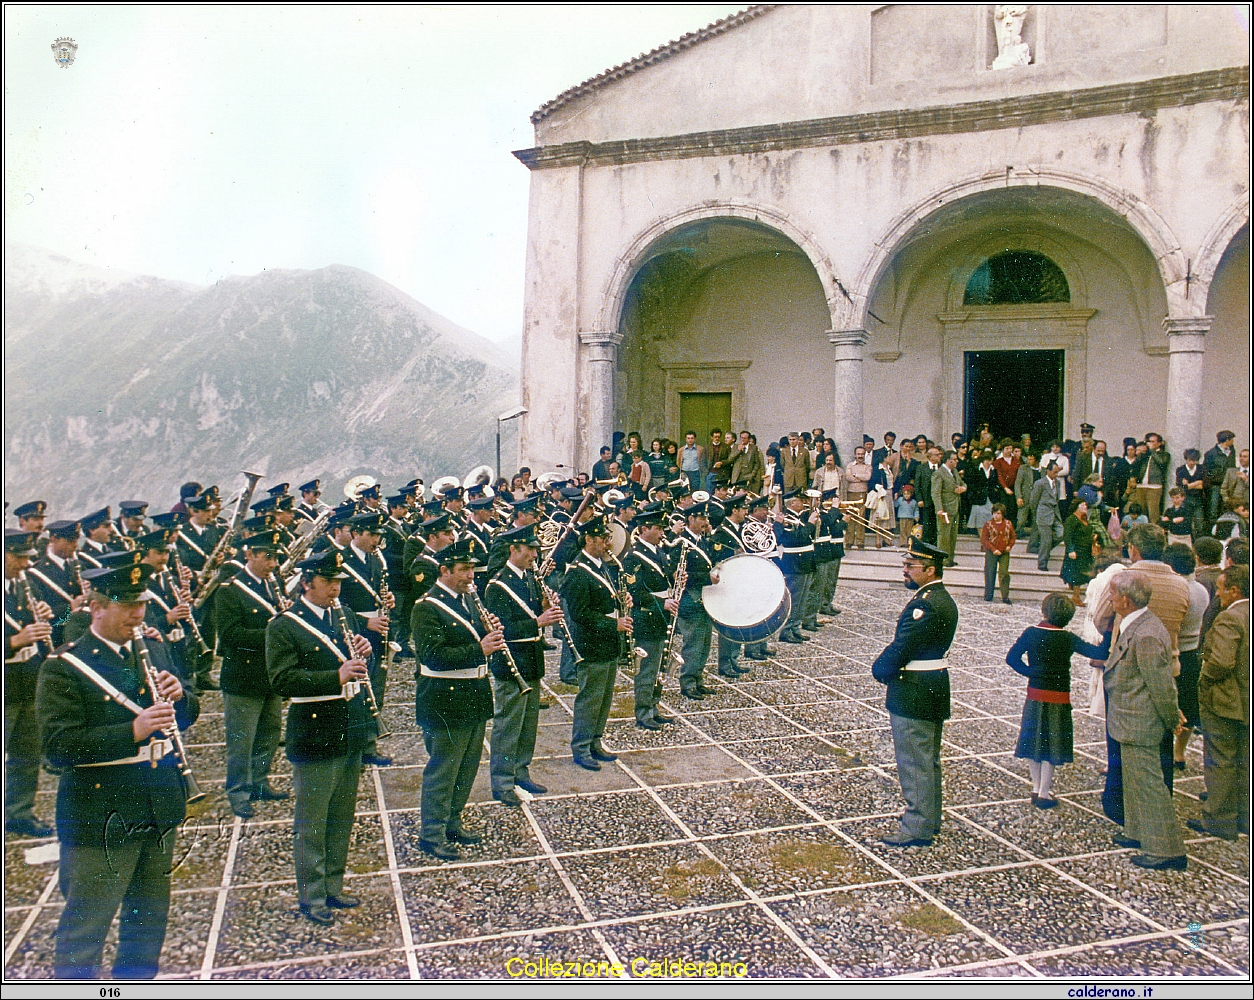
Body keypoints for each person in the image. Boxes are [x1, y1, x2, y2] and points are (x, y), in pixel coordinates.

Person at [37, 562, 200, 977]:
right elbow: (57, 748)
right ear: (95, 607)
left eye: (140, 604)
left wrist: (181, 698)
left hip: (157, 802)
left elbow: (185, 714)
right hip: (101, 813)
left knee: (148, 920)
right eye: (125, 606)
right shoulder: (64, 666)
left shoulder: (153, 648)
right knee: (86, 926)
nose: (137, 615)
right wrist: (131, 730)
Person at [265, 548, 373, 922]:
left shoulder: (339, 615)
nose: (335, 589)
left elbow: (355, 666)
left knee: (341, 814)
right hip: (313, 726)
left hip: (348, 723)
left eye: (338, 582)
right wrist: (336, 676)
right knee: (313, 818)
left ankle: (333, 885)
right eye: (328, 582)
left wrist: (365, 653)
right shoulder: (284, 625)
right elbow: (282, 680)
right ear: (307, 582)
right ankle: (311, 896)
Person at [408, 539, 501, 861]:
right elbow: (433, 656)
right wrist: (481, 648)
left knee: (466, 767)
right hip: (444, 699)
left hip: (473, 694)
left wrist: (489, 636)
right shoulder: (426, 607)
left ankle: (452, 821)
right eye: (463, 570)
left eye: (472, 569)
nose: (470, 576)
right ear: (444, 571)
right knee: (444, 768)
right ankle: (431, 833)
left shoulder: (468, 601)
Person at [871, 538, 958, 847]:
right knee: (928, 759)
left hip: (914, 690)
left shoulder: (924, 604)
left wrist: (879, 669)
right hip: (932, 686)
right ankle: (929, 820)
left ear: (930, 569)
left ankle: (917, 826)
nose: (904, 570)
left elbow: (903, 646)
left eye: (911, 566)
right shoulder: (942, 598)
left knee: (915, 761)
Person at [1102, 573, 1188, 870]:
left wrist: (1171, 718)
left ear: (1125, 601)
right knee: (1135, 782)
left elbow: (1161, 685)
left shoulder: (1147, 633)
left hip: (1141, 722)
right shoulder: (1137, 624)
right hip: (1129, 719)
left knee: (1149, 786)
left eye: (1112, 595)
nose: (1110, 599)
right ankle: (1137, 831)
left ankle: (1166, 849)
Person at [1007, 593, 1112, 808]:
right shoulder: (1068, 638)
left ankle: (1036, 787)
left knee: (1032, 742)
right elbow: (1099, 652)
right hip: (1059, 697)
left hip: (1035, 694)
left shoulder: (1031, 633)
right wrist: (1109, 632)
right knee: (1051, 746)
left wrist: (1030, 672)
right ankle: (1044, 792)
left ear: (1044, 612)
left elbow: (1011, 658)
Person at [484, 525, 563, 803]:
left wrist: (544, 605)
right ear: (513, 549)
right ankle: (502, 781)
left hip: (531, 660)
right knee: (508, 724)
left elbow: (531, 612)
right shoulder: (497, 585)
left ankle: (521, 770)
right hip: (511, 664)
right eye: (529, 549)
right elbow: (501, 629)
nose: (534, 554)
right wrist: (539, 621)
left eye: (535, 550)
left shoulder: (529, 577)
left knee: (528, 723)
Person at [216, 530, 289, 818]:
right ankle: (238, 791)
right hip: (243, 677)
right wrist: (275, 634)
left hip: (269, 673)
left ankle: (259, 782)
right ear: (249, 555)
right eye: (267, 557)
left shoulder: (274, 583)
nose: (272, 563)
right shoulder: (230, 590)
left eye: (275, 557)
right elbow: (231, 635)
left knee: (269, 733)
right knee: (241, 739)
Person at [561, 516, 632, 768]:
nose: (607, 543)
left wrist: (622, 602)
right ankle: (581, 748)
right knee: (590, 698)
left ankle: (595, 740)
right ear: (588, 539)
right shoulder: (578, 571)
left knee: (603, 698)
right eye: (603, 538)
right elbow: (580, 615)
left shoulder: (601, 565)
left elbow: (603, 599)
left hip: (607, 643)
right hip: (591, 645)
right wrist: (614, 623)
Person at [1189, 566, 1249, 841]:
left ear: (1234, 590)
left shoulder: (1230, 618)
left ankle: (1219, 818)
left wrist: (1205, 678)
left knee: (1220, 760)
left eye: (1223, 589)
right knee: (1244, 760)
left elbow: (1221, 661)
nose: (1220, 594)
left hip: (1225, 700)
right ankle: (1244, 817)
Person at [4, 529, 55, 837]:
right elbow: (18, 638)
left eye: (27, 558)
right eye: (18, 557)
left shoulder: (25, 585)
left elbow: (59, 624)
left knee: (26, 754)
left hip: (28, 681)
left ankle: (19, 813)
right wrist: (14, 640)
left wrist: (51, 619)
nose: (25, 564)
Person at [339, 512, 395, 768]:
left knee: (376, 688)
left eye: (378, 535)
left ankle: (369, 744)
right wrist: (365, 621)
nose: (376, 540)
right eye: (371, 535)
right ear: (355, 534)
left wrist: (389, 600)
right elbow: (337, 605)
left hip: (378, 632)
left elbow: (378, 594)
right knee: (356, 691)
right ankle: (352, 748)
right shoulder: (341, 562)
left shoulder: (377, 560)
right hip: (355, 633)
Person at [620, 507, 680, 728]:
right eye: (658, 528)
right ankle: (643, 712)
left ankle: (654, 706)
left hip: (663, 615)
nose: (662, 533)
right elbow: (634, 593)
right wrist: (662, 602)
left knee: (659, 666)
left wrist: (676, 578)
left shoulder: (659, 551)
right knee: (647, 667)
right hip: (647, 617)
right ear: (644, 529)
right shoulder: (634, 557)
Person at [1162, 544, 1209, 773]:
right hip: (1192, 653)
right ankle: (1179, 751)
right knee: (1188, 706)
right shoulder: (1201, 590)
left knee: (1168, 703)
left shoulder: (1176, 590)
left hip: (1176, 650)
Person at [672, 500, 719, 694]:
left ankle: (697, 677)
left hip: (703, 598)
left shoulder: (702, 541)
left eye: (706, 518)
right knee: (693, 642)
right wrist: (706, 578)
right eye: (701, 518)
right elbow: (678, 573)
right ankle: (688, 681)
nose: (705, 522)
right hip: (689, 598)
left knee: (704, 641)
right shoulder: (681, 543)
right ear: (690, 519)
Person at [774, 491, 818, 644]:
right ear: (792, 503)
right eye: (801, 500)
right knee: (794, 599)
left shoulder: (800, 517)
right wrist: (811, 523)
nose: (804, 502)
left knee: (803, 598)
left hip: (805, 561)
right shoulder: (786, 518)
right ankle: (787, 629)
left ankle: (795, 628)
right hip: (794, 563)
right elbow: (796, 538)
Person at [1029, 461, 1065, 570]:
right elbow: (1033, 500)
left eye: (1057, 472)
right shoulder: (1040, 483)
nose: (1056, 475)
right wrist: (1038, 513)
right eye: (1054, 472)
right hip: (1043, 513)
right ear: (1048, 471)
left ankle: (1043, 550)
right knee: (1046, 539)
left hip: (1055, 512)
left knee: (1061, 533)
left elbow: (1057, 498)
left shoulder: (1057, 483)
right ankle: (1042, 562)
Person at [1061, 499, 1096, 606]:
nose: (1085, 507)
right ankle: (1076, 597)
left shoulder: (1084, 519)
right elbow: (1067, 536)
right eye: (1083, 505)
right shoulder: (1071, 520)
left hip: (1085, 551)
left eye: (1086, 505)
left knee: (1082, 573)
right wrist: (1071, 550)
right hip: (1077, 551)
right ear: (1077, 506)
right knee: (1077, 574)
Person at [931, 449, 963, 567]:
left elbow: (962, 483)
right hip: (945, 509)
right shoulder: (939, 473)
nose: (956, 461)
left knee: (952, 535)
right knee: (943, 535)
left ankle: (950, 558)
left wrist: (962, 488)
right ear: (948, 460)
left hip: (955, 507)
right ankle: (943, 559)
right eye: (954, 460)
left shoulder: (954, 471)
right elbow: (935, 492)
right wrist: (939, 508)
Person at [980, 503, 1016, 604]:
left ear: (1002, 514)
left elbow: (1013, 536)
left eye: (998, 513)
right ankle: (988, 595)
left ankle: (1005, 596)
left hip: (1004, 552)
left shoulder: (1008, 524)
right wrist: (992, 549)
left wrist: (1010, 546)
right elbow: (984, 539)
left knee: (1004, 573)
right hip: (992, 552)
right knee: (990, 572)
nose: (996, 516)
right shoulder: (988, 524)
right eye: (995, 513)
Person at [1204, 430, 1239, 525]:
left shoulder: (1232, 451)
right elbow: (1206, 470)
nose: (1233, 442)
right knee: (1213, 509)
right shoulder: (1211, 453)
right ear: (1227, 440)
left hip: (1228, 485)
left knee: (1226, 508)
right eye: (1232, 439)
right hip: (1215, 485)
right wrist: (1213, 478)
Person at [844, 445, 872, 547]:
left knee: (861, 518)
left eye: (862, 454)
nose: (860, 456)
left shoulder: (868, 466)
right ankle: (849, 541)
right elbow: (848, 477)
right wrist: (861, 478)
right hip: (851, 493)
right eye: (858, 454)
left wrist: (856, 475)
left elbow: (868, 477)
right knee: (850, 517)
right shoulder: (850, 465)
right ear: (855, 455)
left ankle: (860, 541)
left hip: (862, 493)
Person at [966, 449, 998, 531]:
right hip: (979, 498)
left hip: (990, 497)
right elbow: (971, 483)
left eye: (991, 460)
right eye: (987, 460)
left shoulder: (993, 470)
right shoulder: (975, 468)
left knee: (990, 519)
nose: (989, 462)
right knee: (980, 521)